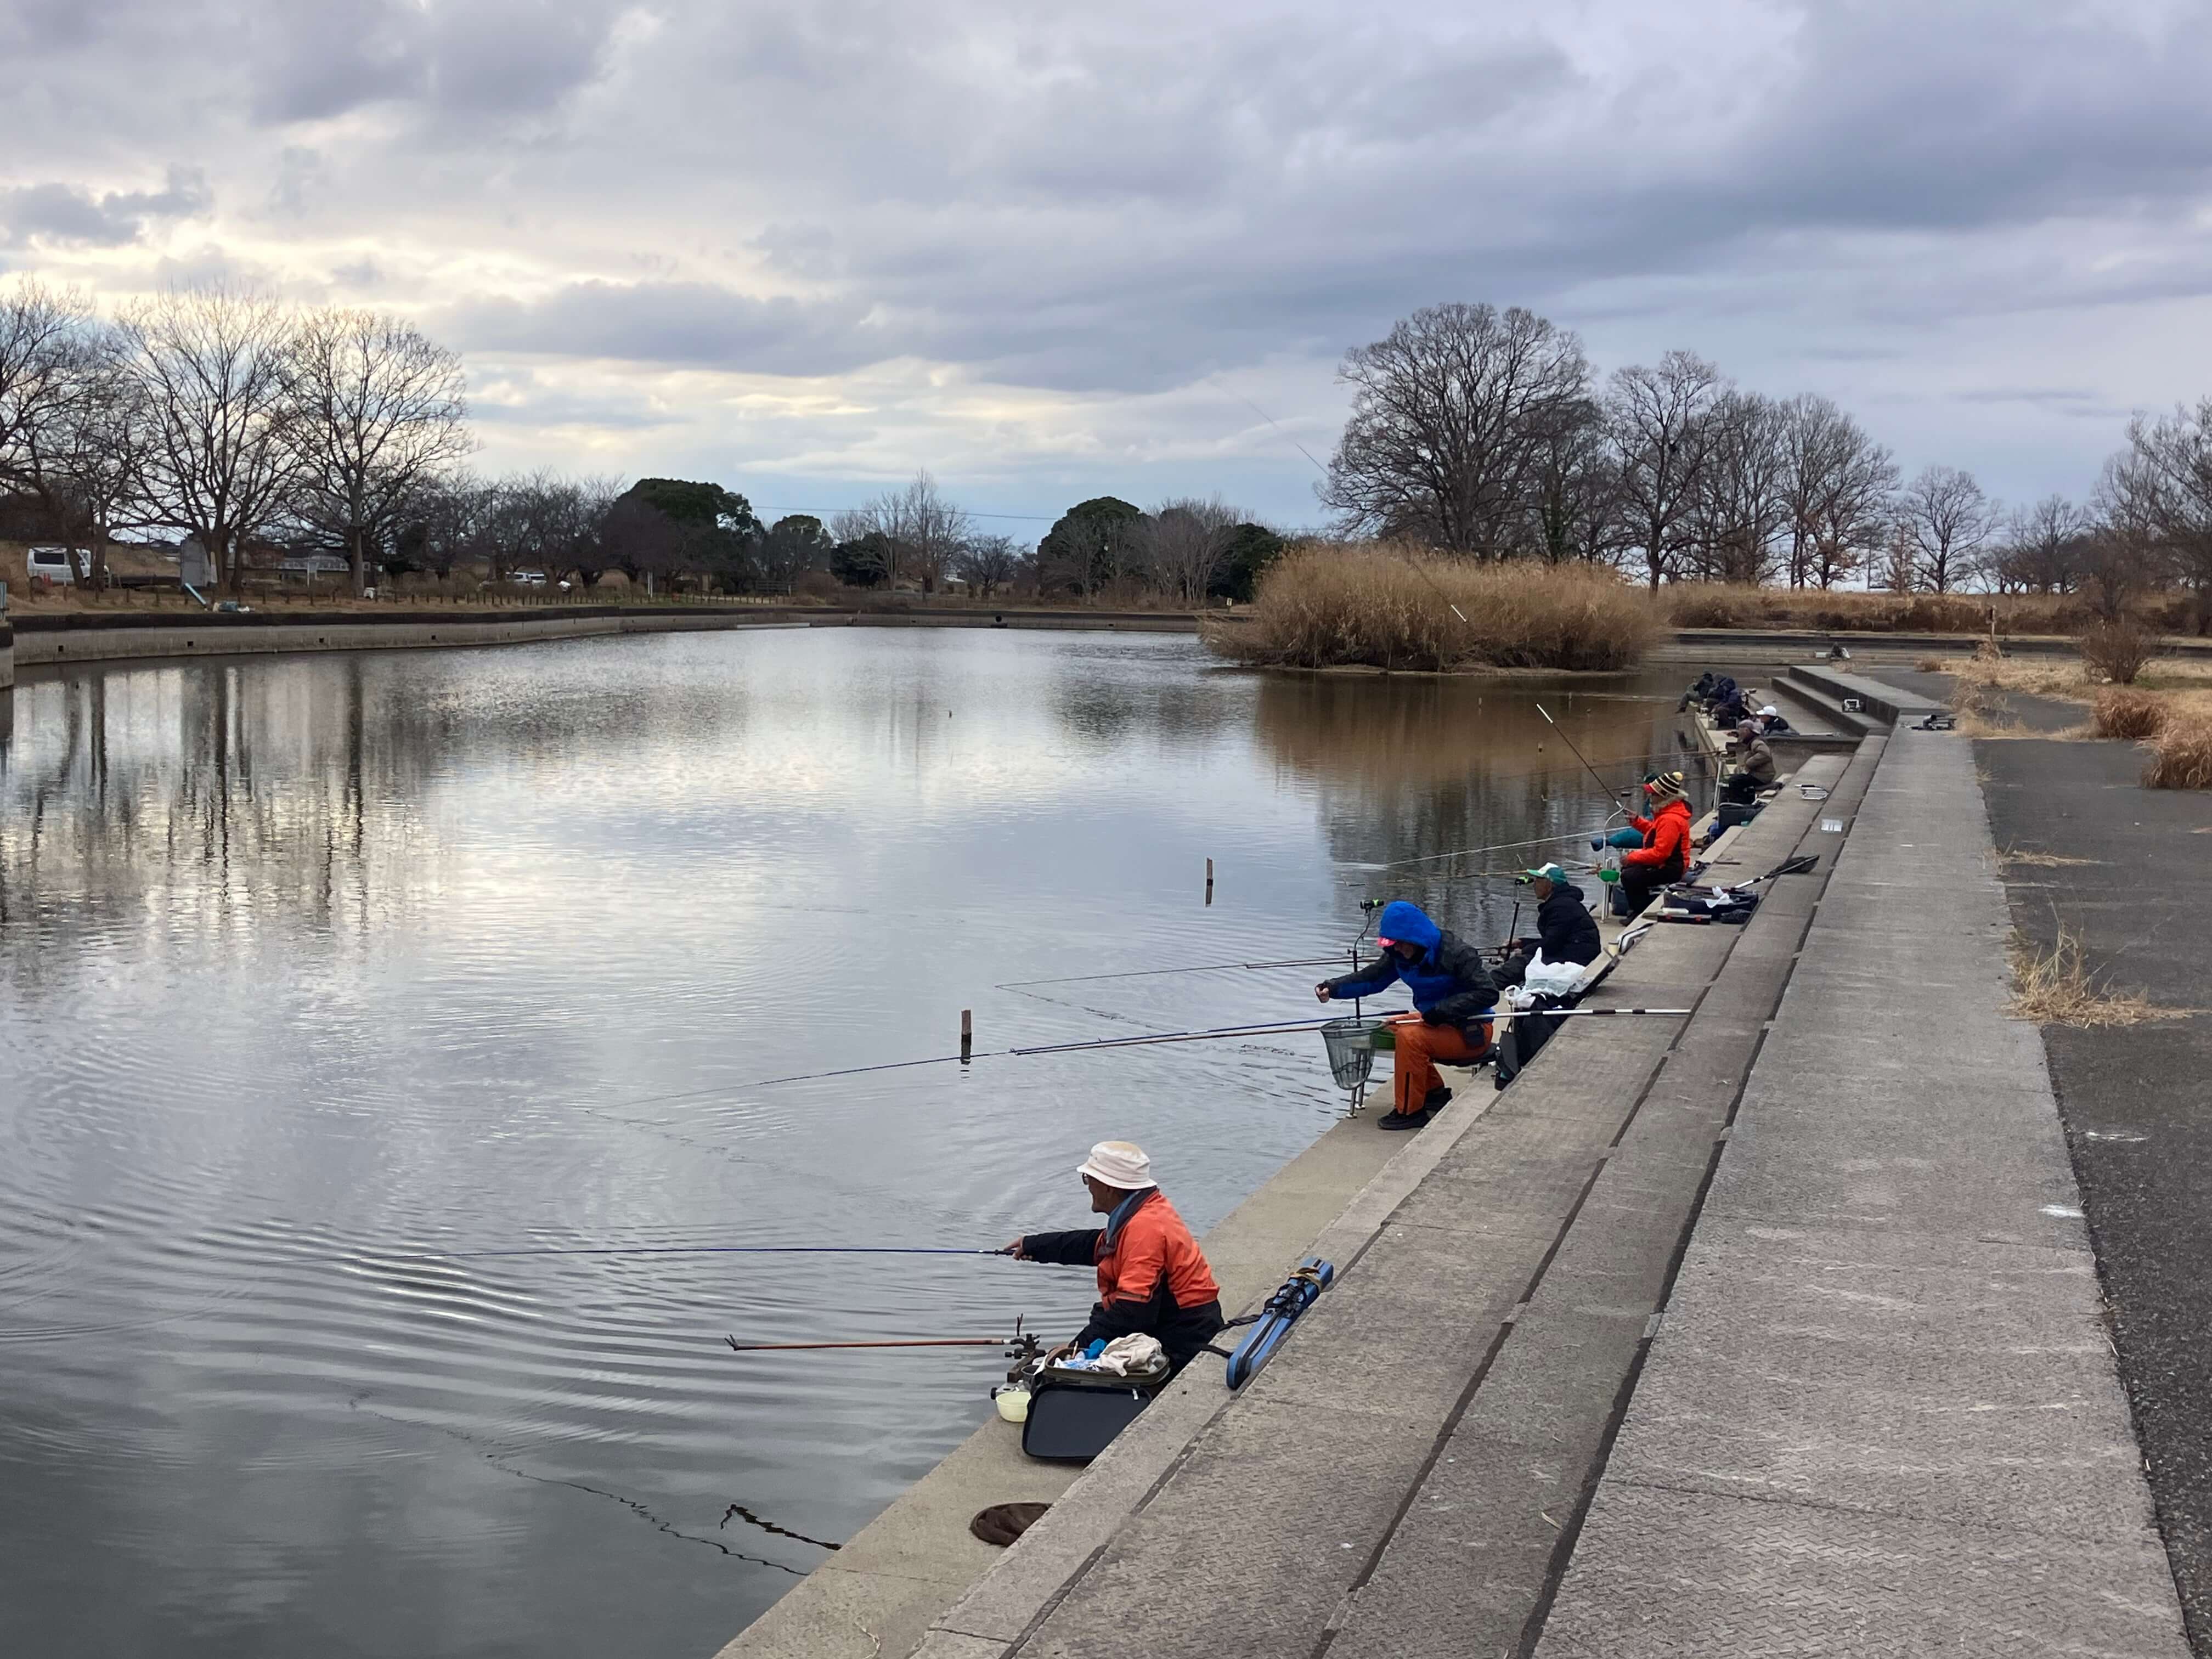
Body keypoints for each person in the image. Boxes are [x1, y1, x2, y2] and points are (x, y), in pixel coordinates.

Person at [1003, 1141, 1224, 1374]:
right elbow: (1094, 1245)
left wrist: (1076, 1347)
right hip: (1175, 1323)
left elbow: (1132, 1312)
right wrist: (1035, 1245)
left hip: (1184, 1337)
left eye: (1089, 1180)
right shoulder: (1142, 1212)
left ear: (1109, 1187)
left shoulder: (1145, 1229)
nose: (1088, 1187)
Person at [1314, 900, 1497, 1130]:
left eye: (1400, 944)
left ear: (1415, 937)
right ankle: (1434, 1092)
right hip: (1435, 1022)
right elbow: (1372, 979)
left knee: (1410, 1038)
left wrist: (1442, 1012)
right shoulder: (1399, 956)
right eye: (1392, 945)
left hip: (1471, 1031)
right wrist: (1333, 988)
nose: (1397, 949)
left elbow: (1488, 994)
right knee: (1388, 1027)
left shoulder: (1459, 955)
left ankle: (1410, 1111)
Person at [1498, 862, 1602, 986]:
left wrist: (1524, 951)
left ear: (1549, 885)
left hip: (1577, 959)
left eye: (1538, 881)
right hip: (1572, 952)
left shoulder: (1561, 907)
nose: (1534, 885)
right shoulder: (1562, 902)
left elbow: (1552, 944)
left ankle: (1487, 989)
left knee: (1521, 962)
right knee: (1524, 959)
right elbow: (1555, 939)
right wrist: (1521, 942)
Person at [1619, 771, 1692, 916]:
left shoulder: (1670, 819)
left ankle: (1639, 912)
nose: (1650, 797)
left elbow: (1660, 854)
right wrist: (1637, 822)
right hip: (1667, 864)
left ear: (1664, 796)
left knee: (1630, 876)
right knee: (1630, 870)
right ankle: (1639, 907)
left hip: (1672, 868)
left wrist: (1632, 857)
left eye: (1653, 794)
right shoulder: (1667, 814)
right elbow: (1655, 833)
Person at [1721, 720, 1778, 806]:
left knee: (1735, 781)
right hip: (1759, 774)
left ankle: (1738, 804)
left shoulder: (1756, 742)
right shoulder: (1753, 740)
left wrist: (1749, 763)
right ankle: (1741, 802)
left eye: (1741, 731)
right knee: (1736, 778)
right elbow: (1743, 739)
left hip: (1762, 776)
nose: (1740, 734)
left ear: (1746, 730)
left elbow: (1765, 754)